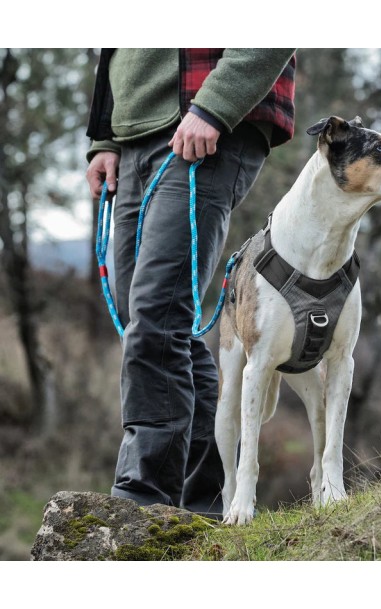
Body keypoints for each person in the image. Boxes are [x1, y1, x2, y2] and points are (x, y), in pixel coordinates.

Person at [85, 49, 296, 518]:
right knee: (148, 321)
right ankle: (206, 501)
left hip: (204, 123)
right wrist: (105, 137)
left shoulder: (211, 112)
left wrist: (213, 106)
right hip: (133, 138)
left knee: (157, 315)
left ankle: (142, 499)